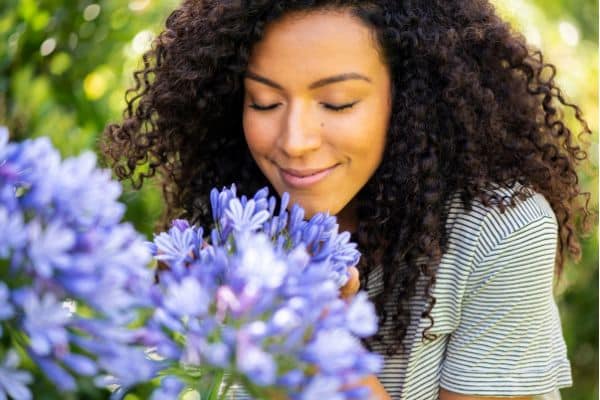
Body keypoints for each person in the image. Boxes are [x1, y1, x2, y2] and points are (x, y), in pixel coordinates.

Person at [101, 1, 593, 399]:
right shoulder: (242, 217)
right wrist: (169, 332)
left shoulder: (500, 230)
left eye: (337, 103)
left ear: (407, 99)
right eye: (264, 102)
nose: (294, 141)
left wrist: (318, 344)